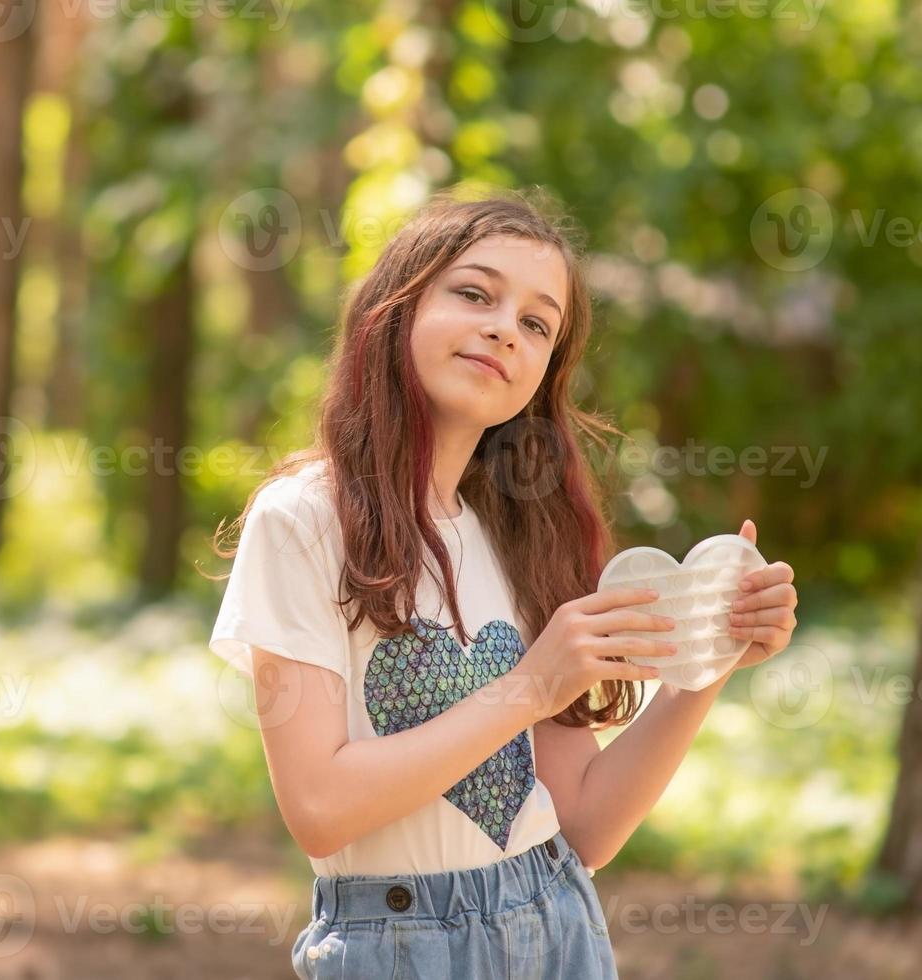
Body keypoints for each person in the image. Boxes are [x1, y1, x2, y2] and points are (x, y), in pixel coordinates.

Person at [207, 187, 799, 979]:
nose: (503, 329)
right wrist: (531, 685)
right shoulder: (305, 519)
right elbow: (319, 810)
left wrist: (706, 667)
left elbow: (584, 825)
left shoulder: (523, 535)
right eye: (475, 294)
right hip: (397, 948)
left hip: (556, 927)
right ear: (398, 306)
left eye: (535, 324)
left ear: (545, 371)